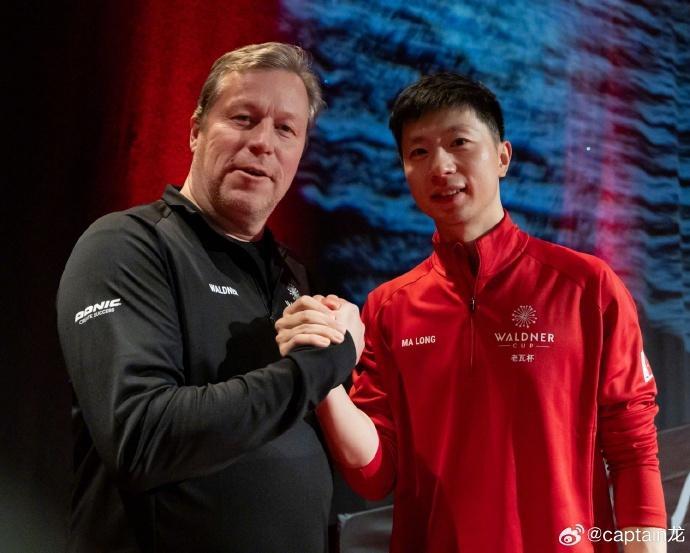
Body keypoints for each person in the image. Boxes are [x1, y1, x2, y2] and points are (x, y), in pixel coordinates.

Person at [275, 73, 667, 552]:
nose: (440, 165)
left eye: (459, 142)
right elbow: (376, 475)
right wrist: (324, 375)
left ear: (502, 157)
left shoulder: (586, 287)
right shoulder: (390, 307)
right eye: (419, 152)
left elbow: (633, 449)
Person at [57, 42, 365, 553]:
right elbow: (142, 438)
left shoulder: (292, 275)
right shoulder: (126, 246)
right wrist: (320, 366)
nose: (263, 143)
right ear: (196, 130)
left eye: (285, 129)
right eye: (244, 118)